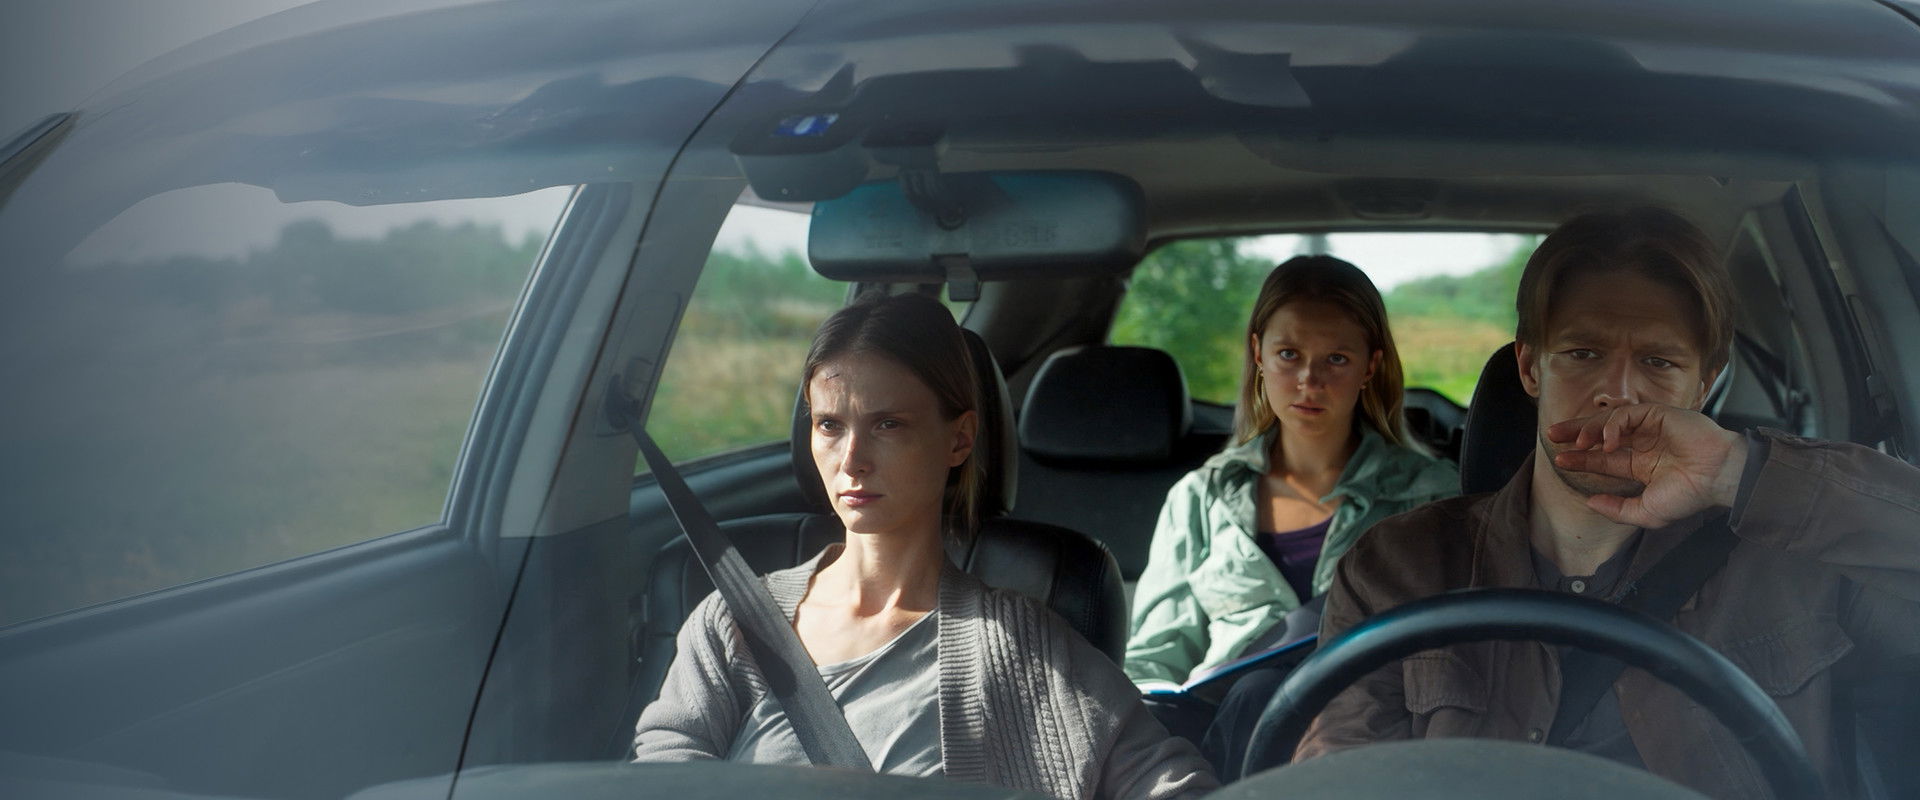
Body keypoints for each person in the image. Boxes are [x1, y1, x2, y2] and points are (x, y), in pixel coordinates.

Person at [1293, 208, 1920, 798]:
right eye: (1583, 354)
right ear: (1530, 368)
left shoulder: (1793, 560)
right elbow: (1338, 780)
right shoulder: (1399, 567)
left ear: (1703, 388)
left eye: (1658, 362)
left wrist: (1738, 470)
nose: (1616, 393)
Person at [633, 292, 1217, 800]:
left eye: (888, 424)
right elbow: (661, 774)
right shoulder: (731, 623)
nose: (852, 460)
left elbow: (1175, 786)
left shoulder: (1024, 647)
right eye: (830, 425)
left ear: (959, 439)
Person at [1124, 255, 1458, 689]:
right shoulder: (1201, 499)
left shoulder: (1433, 496)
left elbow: (1461, 651)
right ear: (1258, 353)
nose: (1309, 380)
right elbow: (1153, 664)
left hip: (1374, 720)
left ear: (1370, 367)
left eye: (1336, 359)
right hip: (1228, 722)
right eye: (1288, 354)